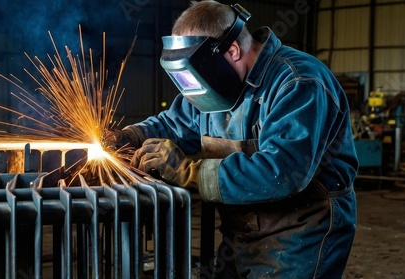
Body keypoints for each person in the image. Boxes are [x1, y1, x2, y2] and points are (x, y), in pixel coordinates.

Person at [110, 1, 358, 278]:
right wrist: (128, 136)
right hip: (241, 232)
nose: (193, 88)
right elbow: (173, 123)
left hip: (300, 234)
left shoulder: (299, 82)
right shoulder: (213, 86)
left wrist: (187, 171)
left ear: (232, 51)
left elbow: (282, 171)